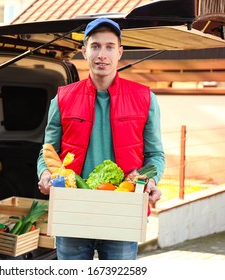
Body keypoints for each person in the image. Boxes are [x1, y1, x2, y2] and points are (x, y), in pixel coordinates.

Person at [37, 18, 165, 260]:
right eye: (95, 46)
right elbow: (47, 152)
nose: (102, 55)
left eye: (109, 47)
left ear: (120, 52)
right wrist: (44, 174)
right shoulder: (62, 99)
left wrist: (151, 179)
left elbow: (155, 155)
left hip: (122, 210)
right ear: (84, 51)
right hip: (73, 209)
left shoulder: (145, 98)